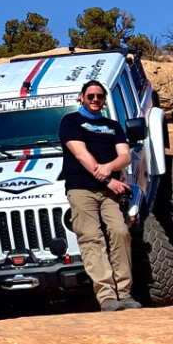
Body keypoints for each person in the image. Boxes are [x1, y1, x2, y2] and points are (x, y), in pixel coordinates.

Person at [58, 80, 140, 311]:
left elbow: (124, 156)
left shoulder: (113, 126)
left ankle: (124, 293)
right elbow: (81, 154)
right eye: (91, 96)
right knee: (91, 238)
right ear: (81, 97)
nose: (95, 100)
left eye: (100, 96)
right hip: (82, 188)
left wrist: (109, 167)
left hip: (109, 192)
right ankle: (106, 296)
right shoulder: (71, 121)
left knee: (120, 232)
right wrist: (107, 178)